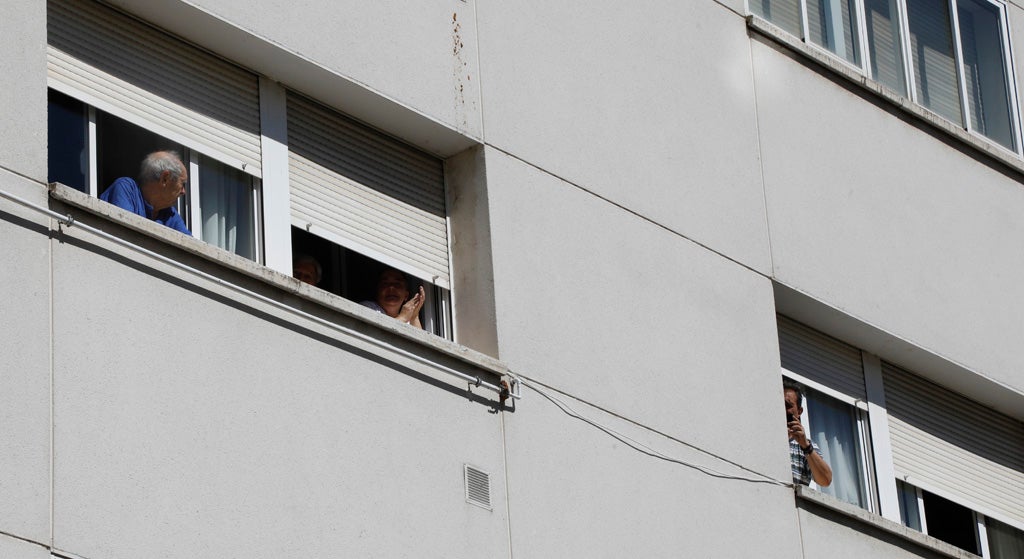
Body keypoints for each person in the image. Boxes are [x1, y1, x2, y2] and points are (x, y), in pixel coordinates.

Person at [99, 151, 191, 235]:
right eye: (182, 183)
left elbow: (190, 248)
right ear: (165, 178)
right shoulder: (126, 189)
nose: (183, 191)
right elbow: (125, 235)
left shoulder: (170, 214)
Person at [784, 381, 833, 487]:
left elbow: (825, 480)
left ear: (799, 411)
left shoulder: (806, 446)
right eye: (780, 404)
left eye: (788, 405)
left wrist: (806, 446)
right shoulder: (765, 437)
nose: (783, 409)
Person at [360, 268, 425, 329]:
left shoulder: (408, 322)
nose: (391, 288)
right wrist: (402, 318)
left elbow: (421, 341)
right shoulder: (367, 308)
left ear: (406, 296)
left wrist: (414, 316)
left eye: (397, 284)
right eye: (385, 284)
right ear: (378, 292)